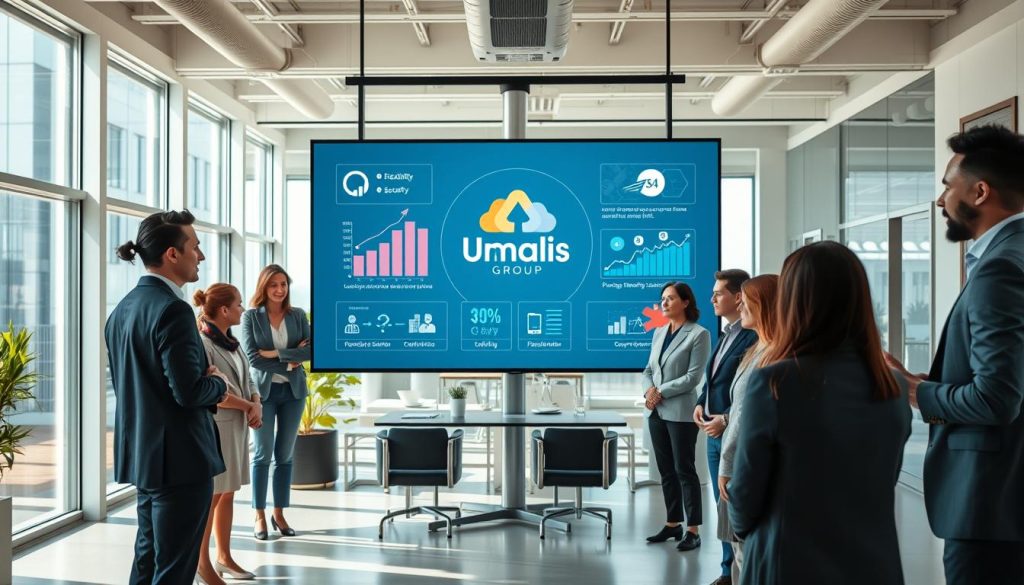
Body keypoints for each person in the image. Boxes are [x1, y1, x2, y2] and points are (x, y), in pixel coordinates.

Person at [886, 125, 1024, 585]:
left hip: (989, 504)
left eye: (947, 186)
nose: (941, 199)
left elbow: (997, 399)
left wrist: (916, 392)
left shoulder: (1000, 268)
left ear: (980, 191)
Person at [728, 241, 911, 585]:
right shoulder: (895, 387)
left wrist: (742, 527)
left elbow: (746, 494)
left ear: (794, 301)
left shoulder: (775, 382)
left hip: (788, 564)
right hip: (874, 566)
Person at [104, 210, 229, 585]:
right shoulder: (173, 310)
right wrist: (220, 383)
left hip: (145, 456)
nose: (201, 256)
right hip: (181, 459)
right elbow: (189, 392)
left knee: (148, 558)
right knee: (175, 568)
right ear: (173, 254)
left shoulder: (122, 309)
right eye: (195, 247)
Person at [192, 284, 263, 584]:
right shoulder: (203, 343)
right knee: (213, 495)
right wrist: (248, 406)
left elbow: (247, 376)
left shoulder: (231, 341)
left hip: (237, 427)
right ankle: (201, 563)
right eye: (237, 305)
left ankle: (224, 557)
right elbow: (215, 391)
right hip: (218, 427)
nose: (242, 310)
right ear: (223, 310)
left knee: (229, 492)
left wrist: (256, 401)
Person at [693, 269, 757, 585]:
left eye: (719, 293)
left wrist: (726, 418)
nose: (713, 298)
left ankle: (737, 570)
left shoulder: (753, 336)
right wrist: (700, 402)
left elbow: (749, 390)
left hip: (732, 430)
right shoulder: (726, 333)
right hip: (713, 430)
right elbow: (714, 377)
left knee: (733, 500)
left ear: (738, 296)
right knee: (721, 505)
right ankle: (726, 569)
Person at [714, 274, 778, 583]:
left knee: (745, 550)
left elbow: (744, 415)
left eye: (746, 299)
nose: (740, 304)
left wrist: (726, 463)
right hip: (737, 459)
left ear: (763, 306)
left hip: (742, 464)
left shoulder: (771, 354)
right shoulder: (758, 349)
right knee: (739, 550)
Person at [240, 264, 311, 540]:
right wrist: (290, 361)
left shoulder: (298, 315)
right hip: (263, 394)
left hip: (294, 393)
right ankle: (259, 515)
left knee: (285, 457)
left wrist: (275, 353)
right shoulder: (250, 318)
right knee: (262, 455)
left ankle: (279, 513)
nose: (280, 290)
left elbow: (311, 351)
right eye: (274, 285)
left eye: (284, 284)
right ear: (264, 288)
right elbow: (253, 357)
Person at [643, 282, 712, 551]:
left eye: (670, 298)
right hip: (657, 411)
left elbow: (693, 377)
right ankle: (673, 523)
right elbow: (648, 369)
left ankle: (693, 530)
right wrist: (650, 391)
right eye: (662, 298)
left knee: (685, 470)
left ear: (685, 302)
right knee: (666, 471)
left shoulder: (699, 334)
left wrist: (659, 391)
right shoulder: (659, 332)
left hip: (681, 412)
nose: (664, 303)